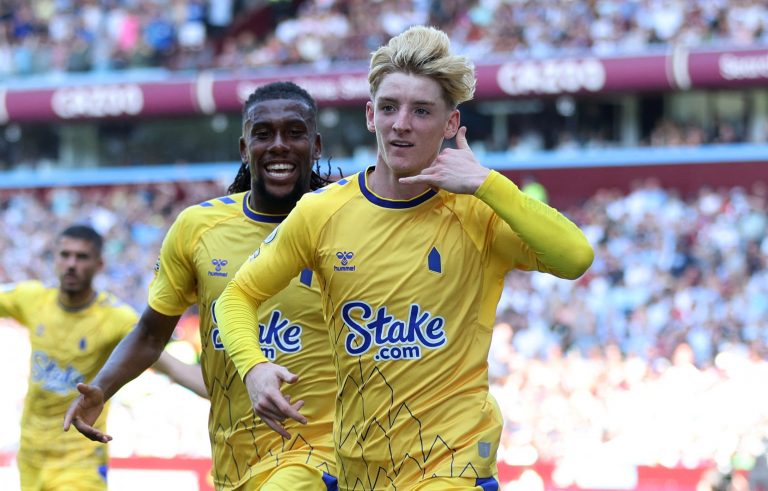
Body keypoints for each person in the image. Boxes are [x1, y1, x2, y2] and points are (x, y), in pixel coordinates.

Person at [214, 26, 594, 490]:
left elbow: (575, 257)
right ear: (371, 115)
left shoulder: (480, 212)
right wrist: (253, 367)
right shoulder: (320, 212)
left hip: (453, 465)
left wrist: (488, 184)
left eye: (421, 111)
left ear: (451, 124)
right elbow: (236, 297)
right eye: (390, 107)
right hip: (357, 464)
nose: (402, 123)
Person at [64, 82, 338, 490]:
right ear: (244, 148)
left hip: (326, 452)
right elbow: (151, 333)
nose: (279, 145)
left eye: (294, 133)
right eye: (263, 134)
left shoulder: (346, 222)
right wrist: (100, 389)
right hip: (234, 458)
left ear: (315, 145)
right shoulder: (198, 228)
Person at [0, 224, 204, 491]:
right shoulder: (32, 299)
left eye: (81, 257)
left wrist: (242, 391)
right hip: (31, 456)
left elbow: (172, 367)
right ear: (54, 259)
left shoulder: (116, 319)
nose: (71, 264)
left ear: (99, 264)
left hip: (80, 461)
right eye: (65, 255)